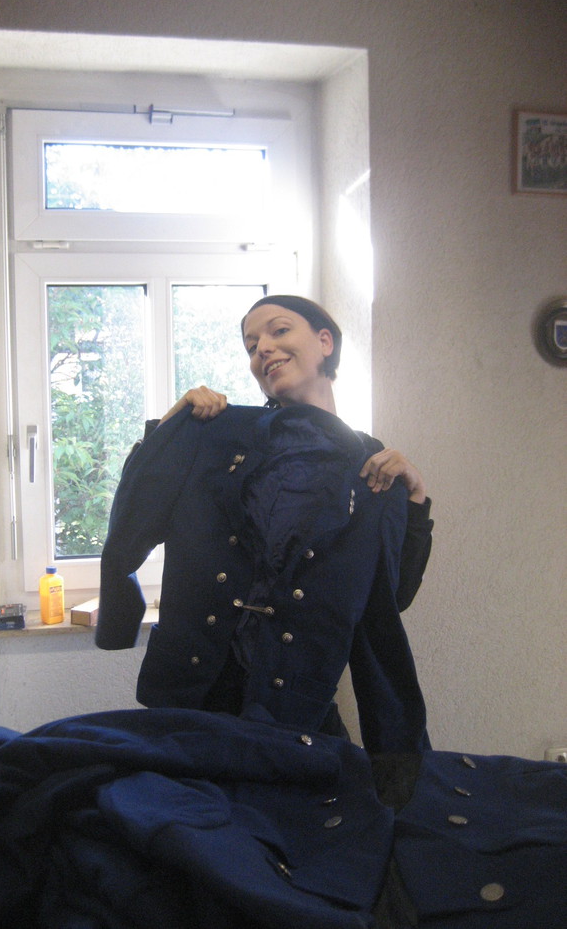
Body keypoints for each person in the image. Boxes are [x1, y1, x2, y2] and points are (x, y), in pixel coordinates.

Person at [96, 295, 432, 752]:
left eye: (279, 330)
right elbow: (134, 520)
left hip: (296, 709)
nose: (263, 350)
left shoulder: (370, 465)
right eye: (251, 346)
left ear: (325, 341)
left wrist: (414, 502)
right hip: (189, 699)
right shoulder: (213, 435)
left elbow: (392, 599)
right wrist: (166, 433)